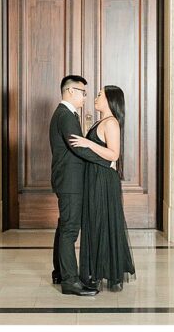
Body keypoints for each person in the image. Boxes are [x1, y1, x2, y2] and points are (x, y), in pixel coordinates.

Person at [49, 74, 112, 296]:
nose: (85, 97)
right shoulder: (65, 115)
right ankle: (70, 281)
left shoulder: (67, 114)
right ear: (70, 91)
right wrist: (108, 161)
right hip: (70, 181)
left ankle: (59, 272)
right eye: (83, 92)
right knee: (69, 229)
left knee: (64, 225)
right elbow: (79, 147)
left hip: (67, 179)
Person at [69, 85, 136, 292]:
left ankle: (112, 274)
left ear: (109, 99)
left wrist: (87, 144)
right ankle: (96, 272)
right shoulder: (100, 121)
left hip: (104, 179)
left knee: (104, 222)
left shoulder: (111, 123)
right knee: (94, 223)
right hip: (94, 177)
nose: (95, 98)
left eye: (100, 95)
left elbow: (113, 154)